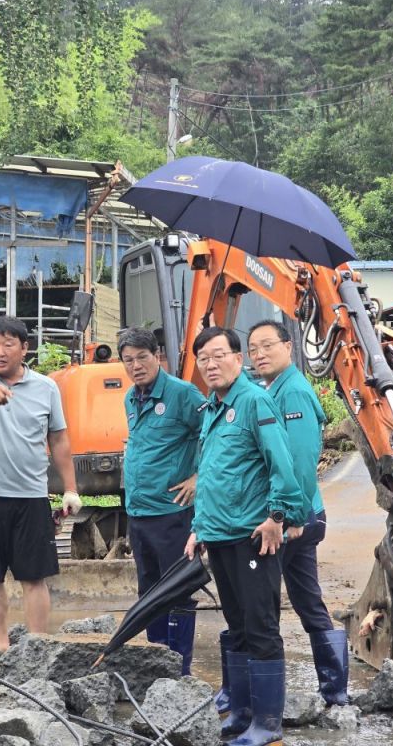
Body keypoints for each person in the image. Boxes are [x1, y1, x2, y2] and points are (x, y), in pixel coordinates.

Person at [184, 326, 306, 746]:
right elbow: (212, 475)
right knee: (236, 626)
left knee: (260, 627)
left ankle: (268, 725)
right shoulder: (212, 408)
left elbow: (282, 465)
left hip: (252, 537)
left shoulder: (254, 401)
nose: (210, 364)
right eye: (203, 358)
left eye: (219, 355)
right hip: (219, 536)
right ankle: (241, 712)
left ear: (238, 359)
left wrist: (277, 516)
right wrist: (199, 528)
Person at [0, 315, 81, 652]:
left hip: (30, 495)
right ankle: (1, 647)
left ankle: (36, 646)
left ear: (24, 348)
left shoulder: (46, 388)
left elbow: (59, 439)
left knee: (34, 576)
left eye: (8, 344)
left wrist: (70, 489)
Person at [247, 319, 349, 706]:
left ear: (288, 347)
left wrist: (289, 518)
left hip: (295, 518)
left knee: (263, 602)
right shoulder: (273, 388)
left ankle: (266, 694)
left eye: (267, 346)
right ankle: (335, 693)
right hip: (298, 515)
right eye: (253, 349)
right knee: (307, 600)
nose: (259, 354)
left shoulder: (292, 392)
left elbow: (303, 460)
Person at [119, 327, 206, 675]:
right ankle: (156, 665)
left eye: (142, 357)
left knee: (178, 590)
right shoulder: (131, 397)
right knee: (149, 591)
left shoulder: (183, 394)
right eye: (129, 360)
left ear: (157, 356)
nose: (136, 366)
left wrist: (199, 477)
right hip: (139, 512)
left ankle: (179, 669)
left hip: (172, 512)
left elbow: (214, 432)